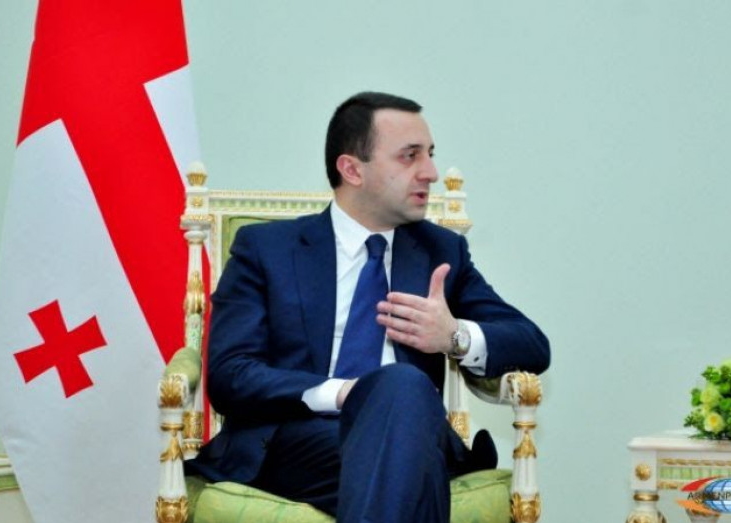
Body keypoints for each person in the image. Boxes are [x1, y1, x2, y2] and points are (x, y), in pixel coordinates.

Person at [187, 92, 550, 522]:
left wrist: (453, 336)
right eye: (410, 156)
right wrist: (344, 393)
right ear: (352, 169)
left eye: (430, 154)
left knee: (402, 400)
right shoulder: (268, 250)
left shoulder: (439, 251)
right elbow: (230, 374)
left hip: (410, 433)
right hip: (297, 443)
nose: (430, 173)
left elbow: (532, 344)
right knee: (407, 442)